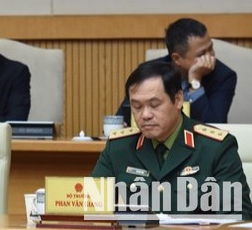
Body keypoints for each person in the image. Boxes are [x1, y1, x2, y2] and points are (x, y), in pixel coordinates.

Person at [93, 60, 252, 218]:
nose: (145, 115)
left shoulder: (216, 148)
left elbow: (237, 219)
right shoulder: (118, 148)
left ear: (178, 100)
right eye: (137, 106)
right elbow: (93, 211)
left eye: (154, 105)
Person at [117, 18, 237, 123]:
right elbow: (123, 117)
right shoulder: (151, 73)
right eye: (201, 54)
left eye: (210, 48)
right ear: (176, 58)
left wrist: (195, 82)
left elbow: (214, 125)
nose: (210, 56)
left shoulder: (224, 76)